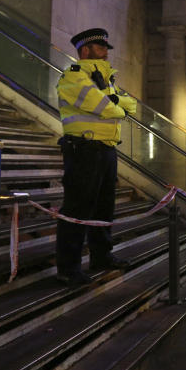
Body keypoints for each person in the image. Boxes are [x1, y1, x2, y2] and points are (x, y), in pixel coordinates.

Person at [55, 28, 137, 286]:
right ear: (85, 50)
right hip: (83, 149)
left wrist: (113, 101)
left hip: (106, 149)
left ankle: (101, 256)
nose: (106, 52)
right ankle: (68, 268)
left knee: (104, 207)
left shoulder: (107, 79)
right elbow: (104, 107)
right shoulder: (74, 76)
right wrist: (115, 106)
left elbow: (130, 104)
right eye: (100, 47)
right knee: (77, 209)